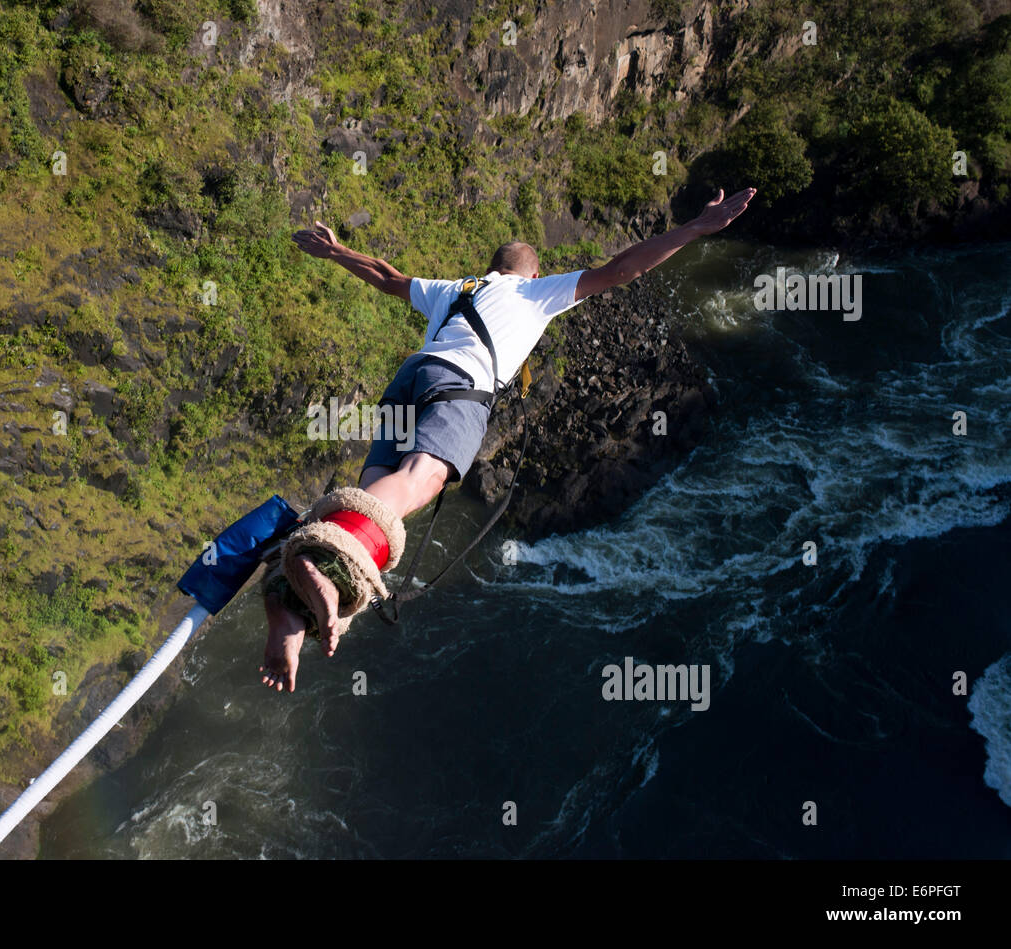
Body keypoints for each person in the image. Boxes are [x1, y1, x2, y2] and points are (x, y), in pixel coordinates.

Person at [259, 187, 757, 692]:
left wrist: (336, 248)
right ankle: (318, 558)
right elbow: (622, 269)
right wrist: (695, 227)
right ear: (535, 274)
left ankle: (291, 610)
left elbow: (386, 276)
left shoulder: (455, 288)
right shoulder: (533, 293)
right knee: (416, 481)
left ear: (489, 265)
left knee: (374, 492)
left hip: (411, 376)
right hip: (460, 387)